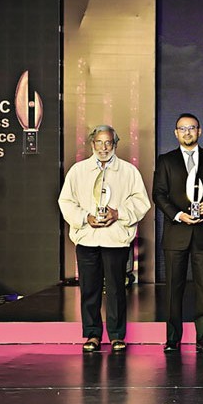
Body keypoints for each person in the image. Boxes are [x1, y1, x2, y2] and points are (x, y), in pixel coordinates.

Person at [58, 125, 150, 353]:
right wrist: (85, 218)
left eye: (108, 142)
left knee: (117, 289)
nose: (103, 147)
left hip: (115, 239)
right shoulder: (78, 171)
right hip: (87, 239)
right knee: (90, 288)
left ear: (115, 145)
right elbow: (66, 202)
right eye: (99, 142)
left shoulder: (128, 171)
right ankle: (92, 334)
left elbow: (141, 202)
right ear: (92, 145)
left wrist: (118, 213)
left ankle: (118, 336)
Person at [153, 113, 203, 353]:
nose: (187, 132)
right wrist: (177, 215)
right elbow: (159, 194)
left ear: (200, 131)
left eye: (192, 128)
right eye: (182, 129)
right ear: (176, 133)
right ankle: (172, 338)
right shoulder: (166, 160)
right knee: (173, 288)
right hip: (176, 232)